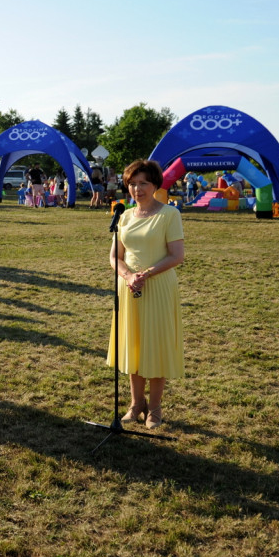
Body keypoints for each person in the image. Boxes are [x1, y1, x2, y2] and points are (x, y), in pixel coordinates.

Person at [108, 159, 185, 430]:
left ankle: (154, 408)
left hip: (159, 287)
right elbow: (115, 257)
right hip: (129, 289)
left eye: (143, 183)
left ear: (154, 185)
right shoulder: (124, 216)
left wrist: (147, 274)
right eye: (132, 183)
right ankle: (135, 404)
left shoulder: (169, 214)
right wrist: (129, 276)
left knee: (157, 347)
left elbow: (177, 255)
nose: (137, 189)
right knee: (134, 347)